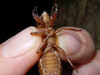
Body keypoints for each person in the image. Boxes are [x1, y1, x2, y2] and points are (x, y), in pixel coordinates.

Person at [0, 26, 99, 75]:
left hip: (50, 55)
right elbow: (37, 47)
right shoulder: (39, 38)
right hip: (46, 57)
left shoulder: (52, 34)